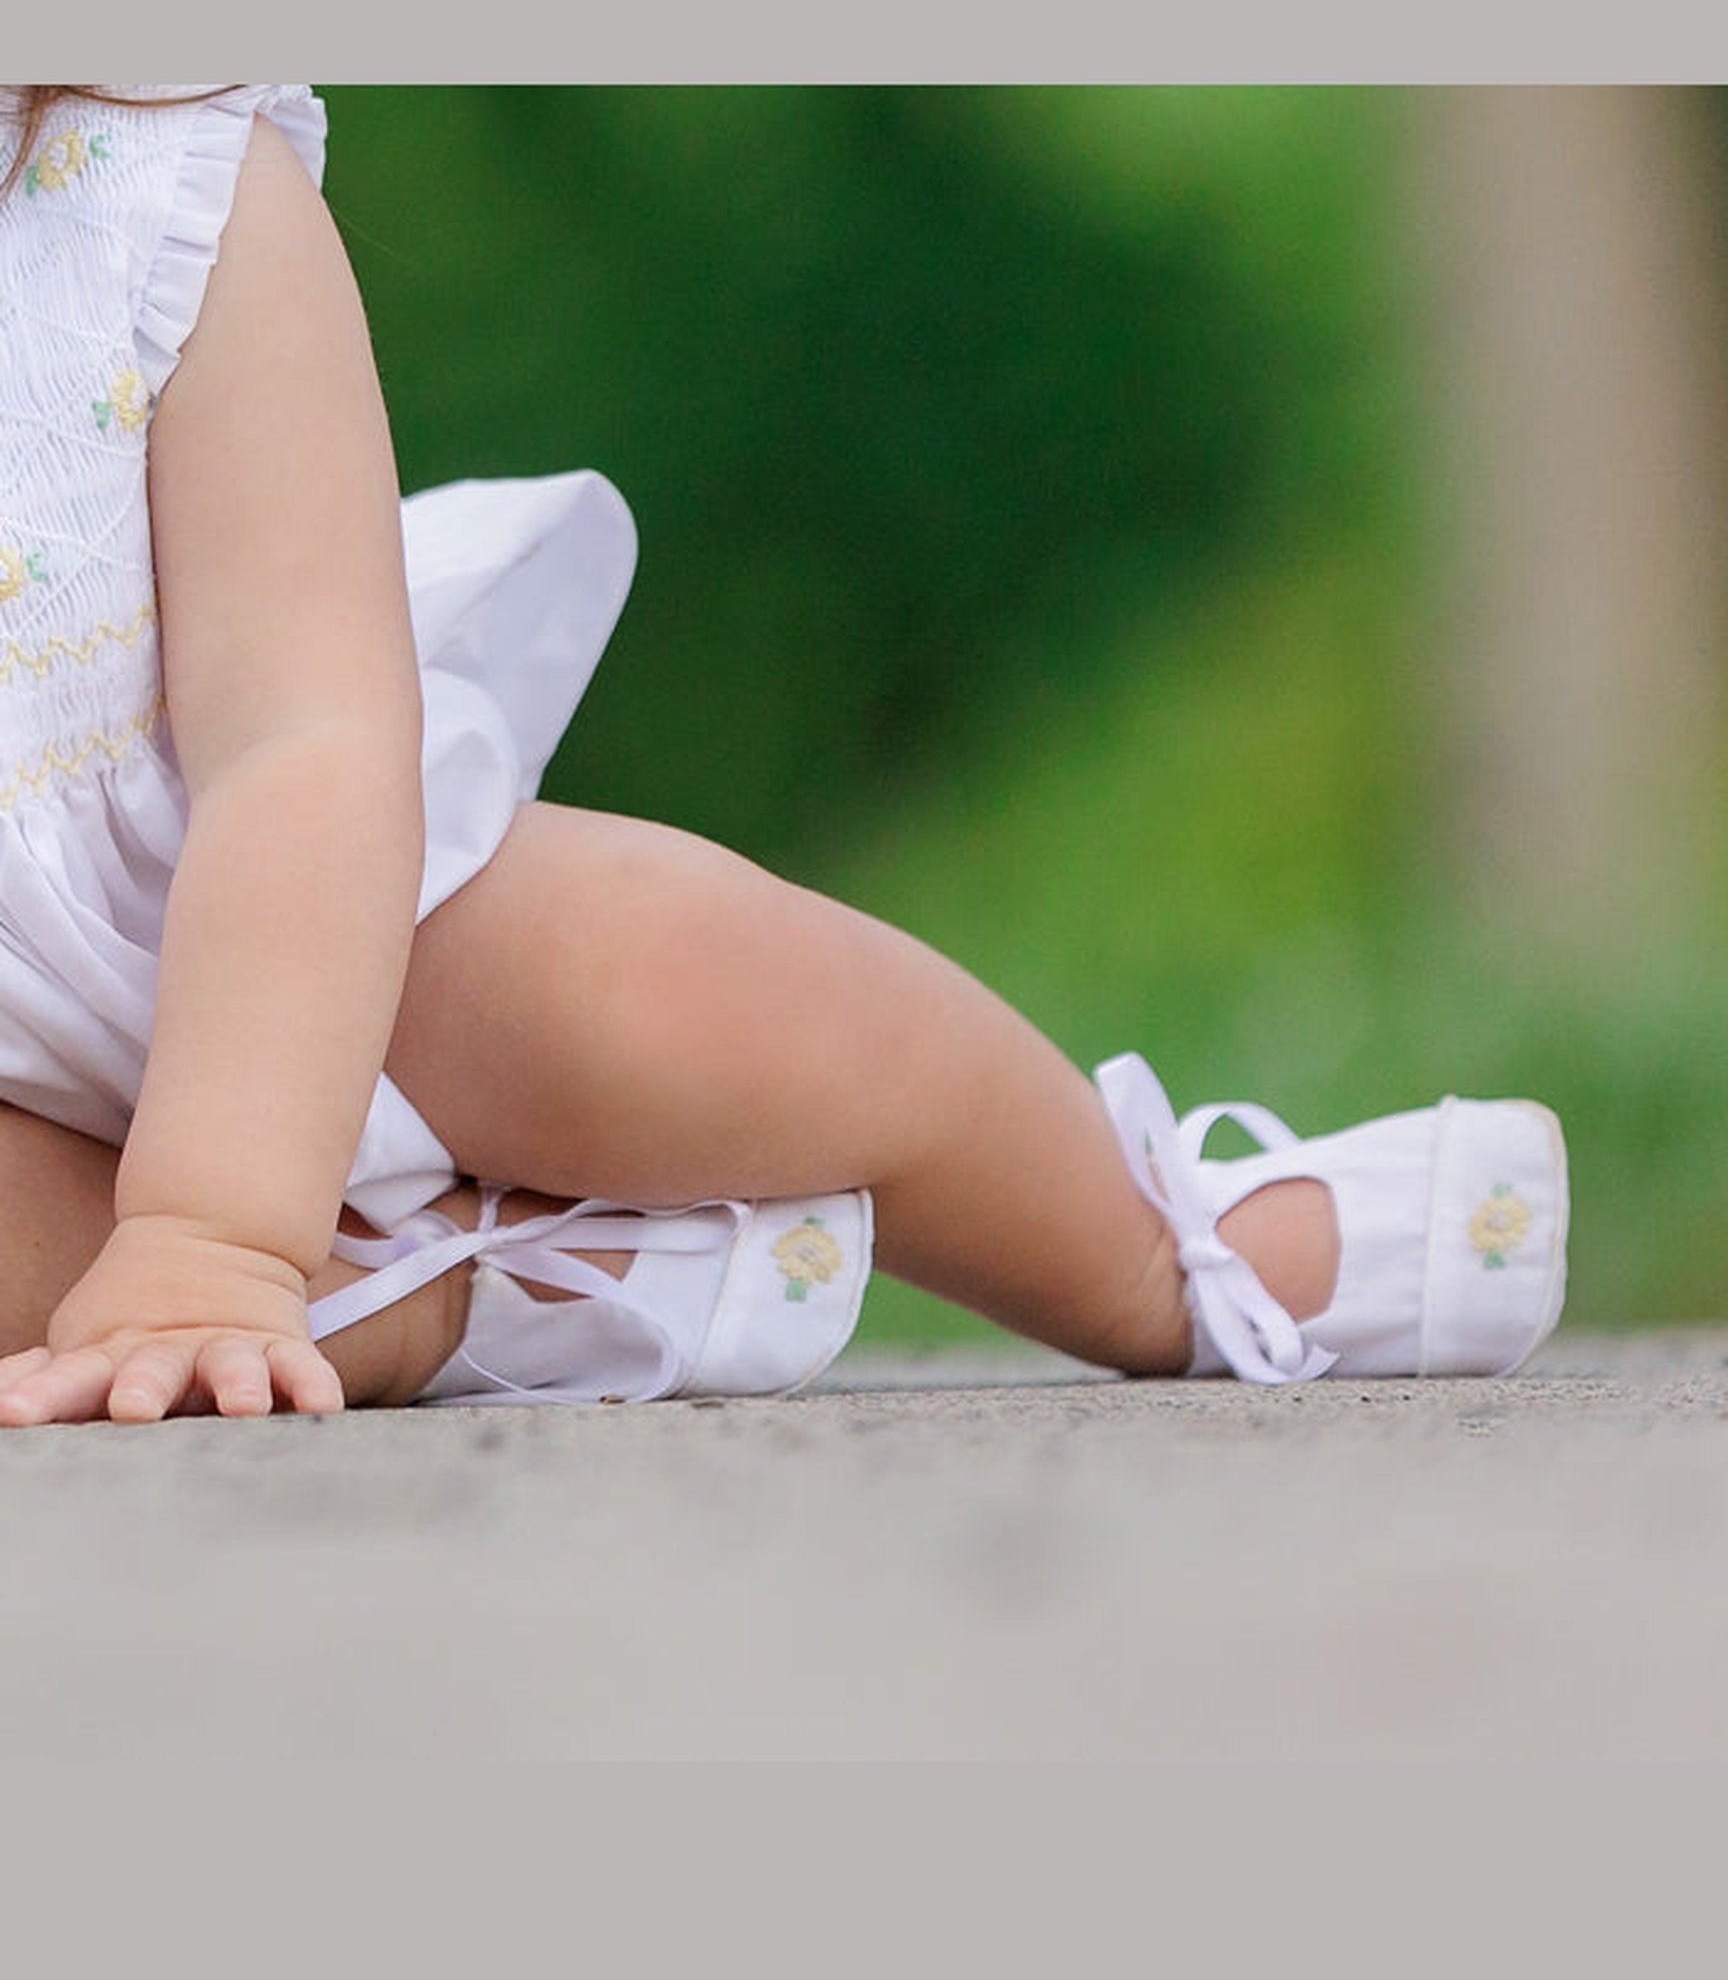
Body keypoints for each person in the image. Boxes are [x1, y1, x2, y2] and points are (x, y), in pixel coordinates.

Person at [0, 83, 1569, 1425]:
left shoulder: (162, 196)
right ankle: (469, 1296)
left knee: (659, 983)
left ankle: (1148, 1251)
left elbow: (301, 738)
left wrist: (214, 1223)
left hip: (282, 893)